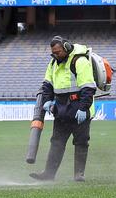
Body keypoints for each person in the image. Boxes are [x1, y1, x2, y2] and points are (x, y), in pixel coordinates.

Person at [30, 36, 97, 182]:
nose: (55, 55)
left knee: (81, 142)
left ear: (66, 48)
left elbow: (88, 87)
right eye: (53, 53)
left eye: (58, 52)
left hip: (79, 109)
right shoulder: (53, 63)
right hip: (61, 110)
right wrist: (47, 101)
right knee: (57, 142)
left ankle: (78, 174)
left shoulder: (80, 61)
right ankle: (49, 174)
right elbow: (47, 85)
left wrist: (84, 108)